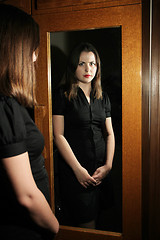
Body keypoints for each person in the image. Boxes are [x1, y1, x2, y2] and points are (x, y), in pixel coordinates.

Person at [0, 4, 59, 240]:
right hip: (22, 228)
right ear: (16, 50)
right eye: (33, 49)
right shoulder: (5, 107)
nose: (35, 57)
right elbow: (27, 196)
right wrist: (54, 226)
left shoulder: (11, 104)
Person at [52, 42, 115, 229]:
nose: (88, 68)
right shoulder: (62, 94)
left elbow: (110, 133)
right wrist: (78, 170)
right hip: (76, 174)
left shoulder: (103, 97)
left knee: (106, 221)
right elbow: (58, 135)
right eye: (82, 63)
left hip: (102, 172)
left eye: (92, 63)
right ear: (73, 66)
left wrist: (108, 166)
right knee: (87, 226)